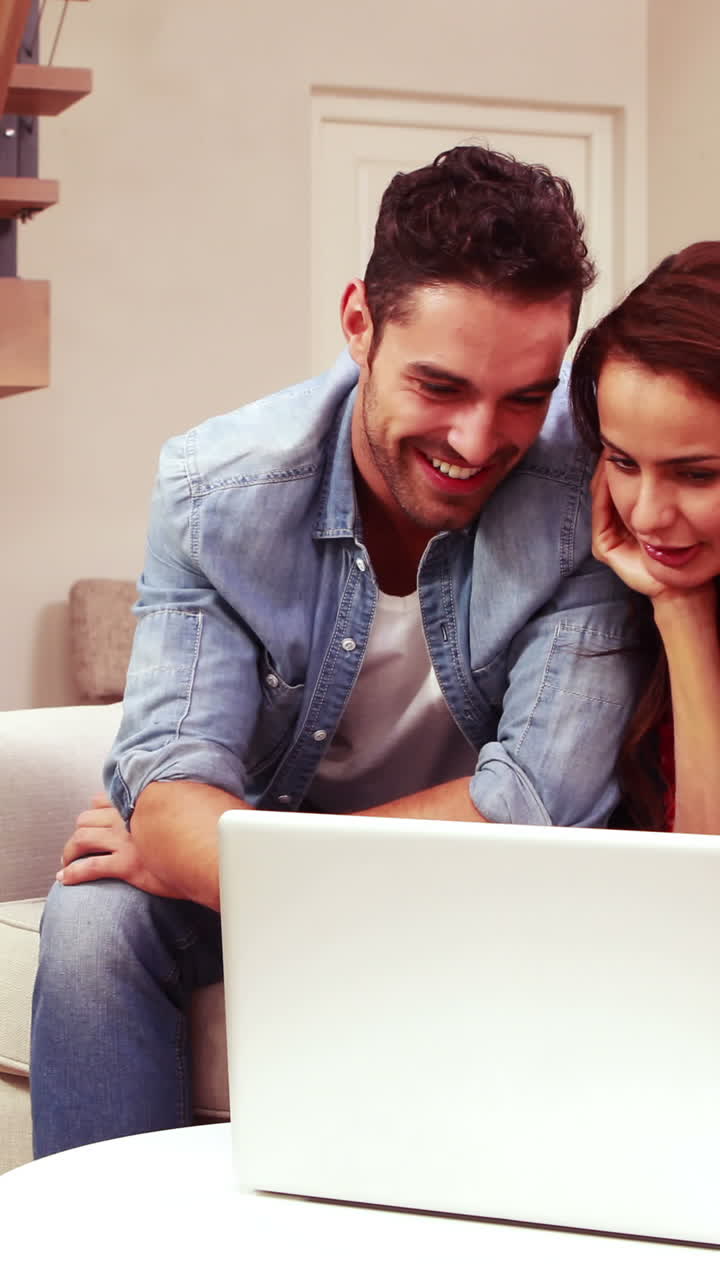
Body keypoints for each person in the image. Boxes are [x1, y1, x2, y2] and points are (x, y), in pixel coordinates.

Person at [31, 145, 639, 1157]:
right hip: (280, 884)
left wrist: (225, 847)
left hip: (490, 896)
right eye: (439, 384)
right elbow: (170, 785)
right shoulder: (217, 488)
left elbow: (539, 807)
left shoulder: (592, 481)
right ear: (359, 321)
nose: (478, 440)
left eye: (526, 396)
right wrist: (200, 837)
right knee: (96, 923)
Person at [570, 240, 720, 834]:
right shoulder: (608, 592)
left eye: (697, 474)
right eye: (624, 462)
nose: (649, 517)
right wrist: (678, 603)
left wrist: (681, 610)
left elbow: (707, 869)